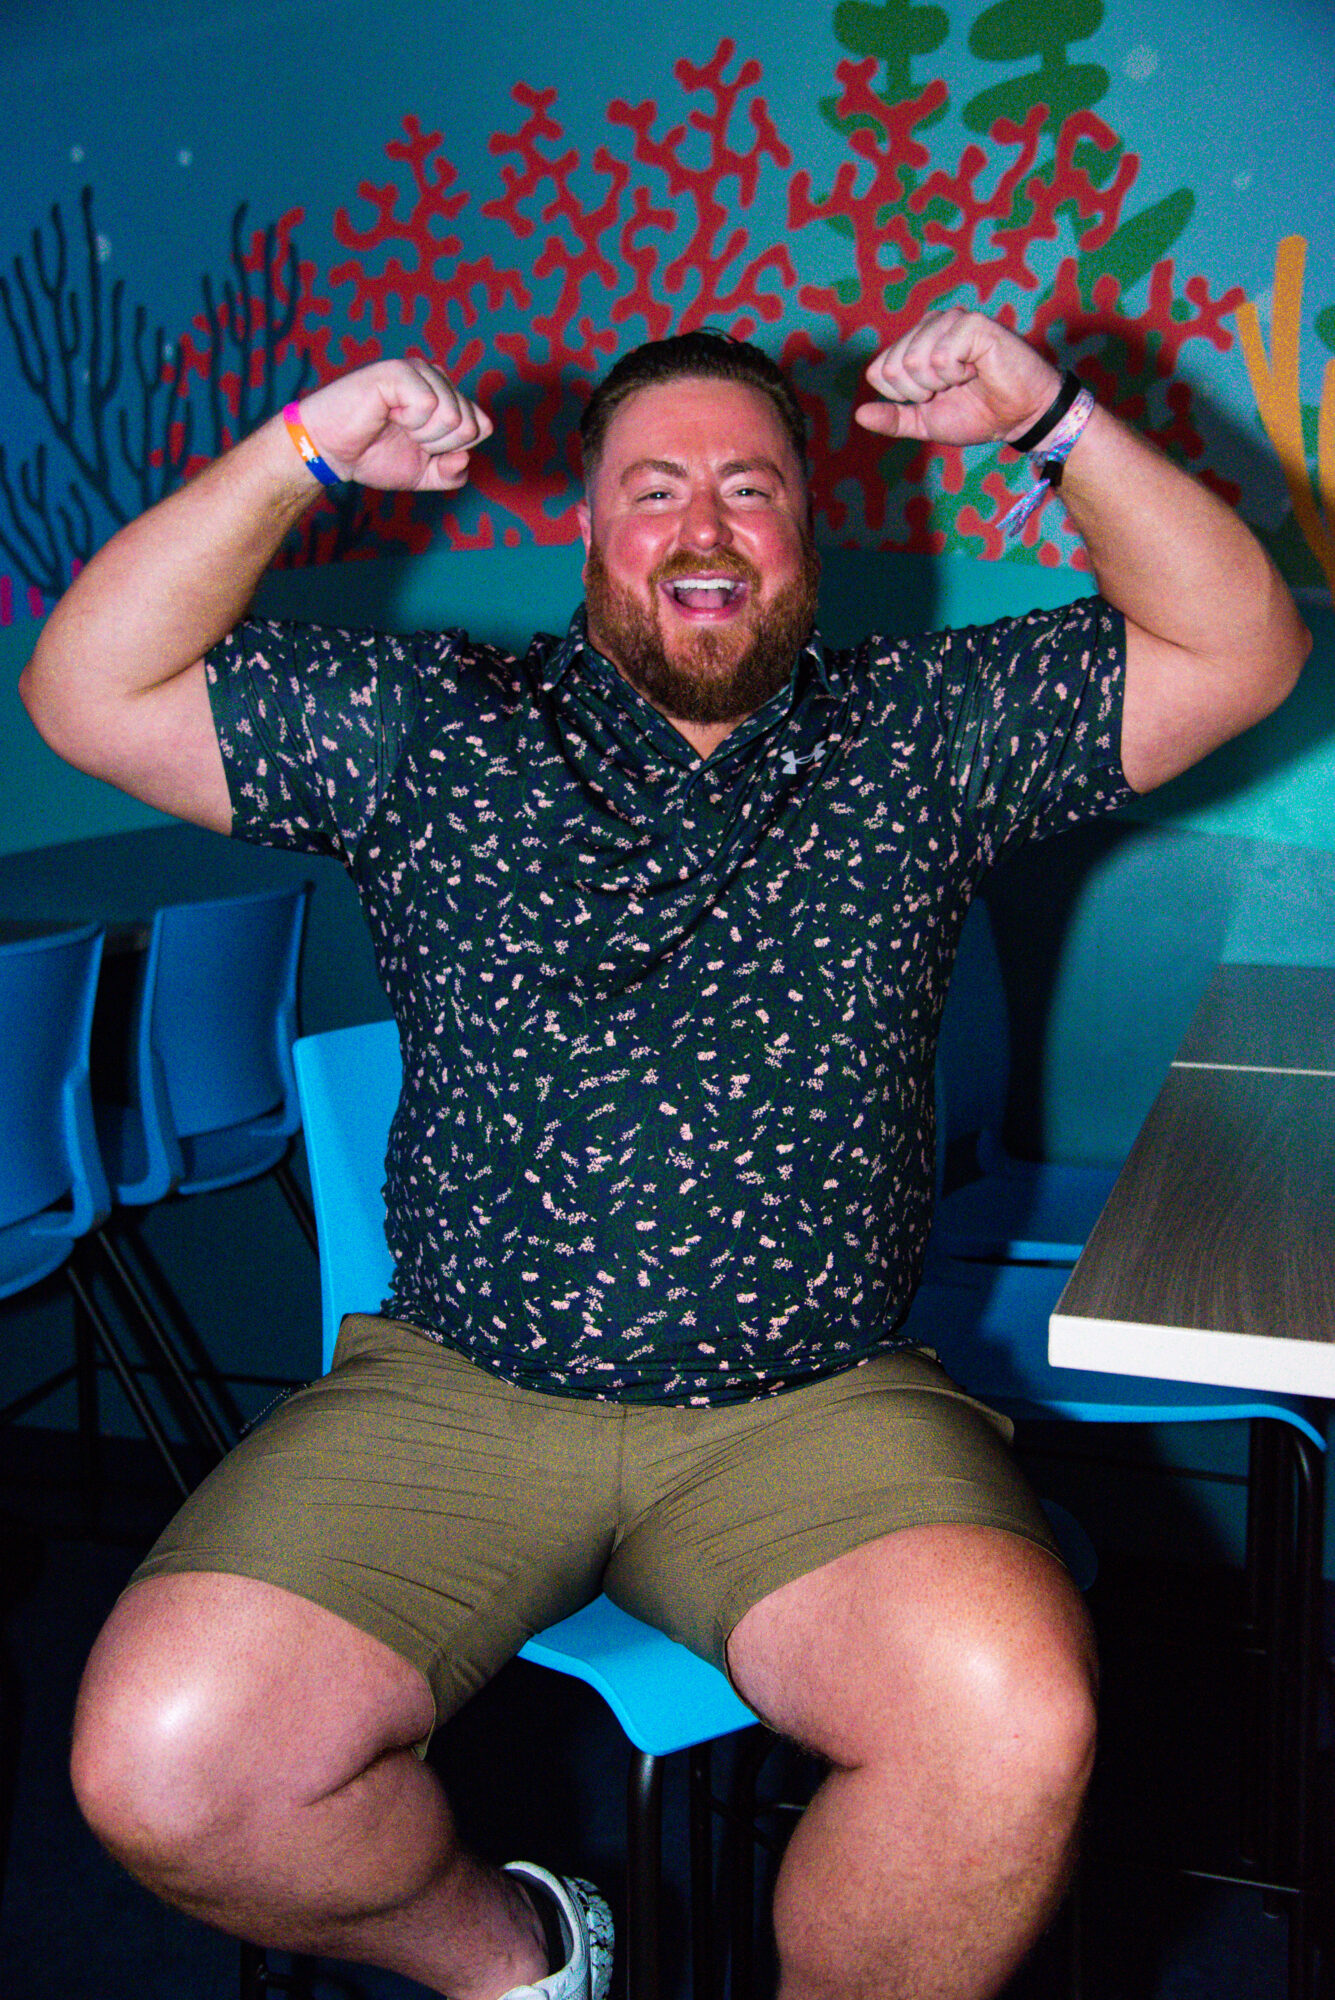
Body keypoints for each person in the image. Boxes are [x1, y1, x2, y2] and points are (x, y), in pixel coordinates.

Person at [21, 307, 1308, 2000]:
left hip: (813, 1407)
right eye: (655, 489)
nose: (705, 526)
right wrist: (306, 450)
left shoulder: (921, 736)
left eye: (750, 487)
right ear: (591, 528)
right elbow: (86, 689)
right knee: (173, 1766)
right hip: (459, 1391)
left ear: (807, 528)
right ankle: (531, 1962)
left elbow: (1239, 649)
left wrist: (1053, 418)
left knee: (1007, 1723)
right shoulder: (435, 726)